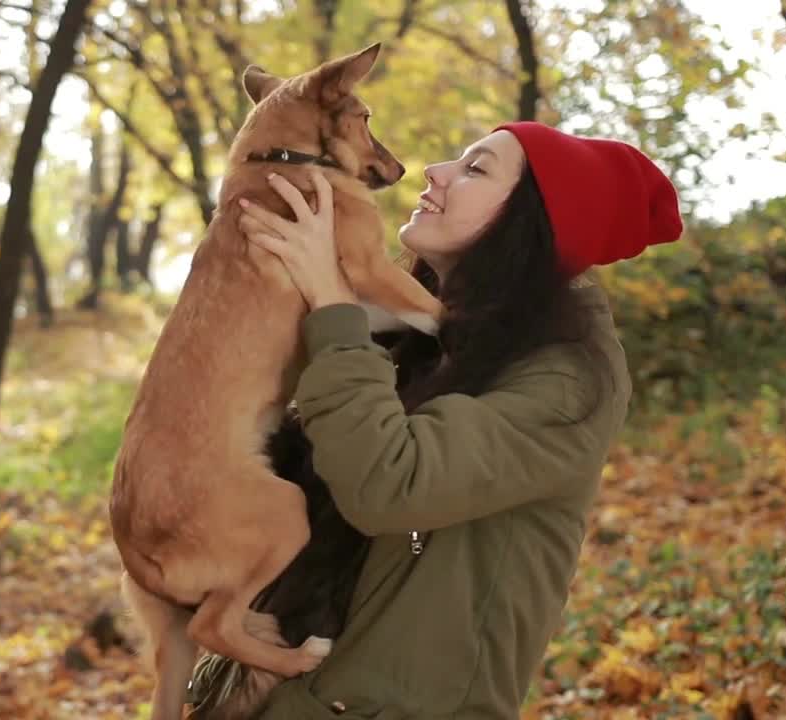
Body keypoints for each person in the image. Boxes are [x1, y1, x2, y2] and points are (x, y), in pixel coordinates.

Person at [197, 121, 683, 718]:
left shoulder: (568, 378)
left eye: (475, 169)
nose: (435, 172)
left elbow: (391, 484)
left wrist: (332, 301)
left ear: (532, 222)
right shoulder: (414, 338)